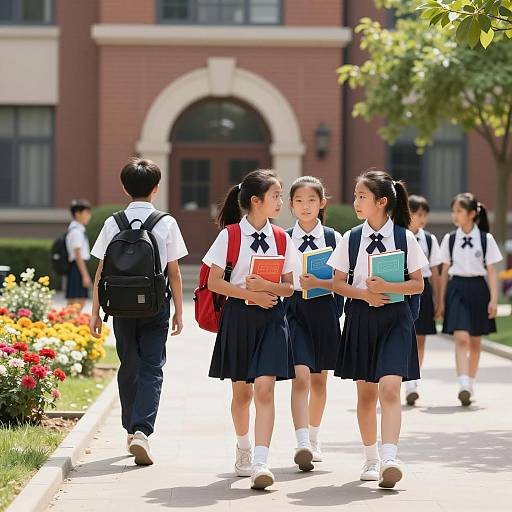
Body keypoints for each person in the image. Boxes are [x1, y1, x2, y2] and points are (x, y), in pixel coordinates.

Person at [328, 169, 427, 489]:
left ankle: (390, 458)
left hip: (396, 319)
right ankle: (370, 458)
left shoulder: (404, 237)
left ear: (382, 202)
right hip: (361, 318)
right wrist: (366, 293)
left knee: (390, 388)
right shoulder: (351, 238)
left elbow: (418, 284)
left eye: (361, 196)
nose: (356, 201)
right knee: (367, 394)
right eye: (356, 196)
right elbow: (337, 283)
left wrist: (388, 285)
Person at [203, 169, 299, 490]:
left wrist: (267, 288)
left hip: (272, 319)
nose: (280, 202)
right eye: (275, 196)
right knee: (242, 394)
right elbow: (214, 282)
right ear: (256, 201)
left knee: (266, 389)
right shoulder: (229, 235)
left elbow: (289, 288)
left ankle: (261, 460)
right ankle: (243, 448)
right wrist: (250, 295)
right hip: (239, 319)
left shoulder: (283, 238)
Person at [89, 158, 188, 465]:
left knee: (129, 364)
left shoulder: (112, 223)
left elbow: (100, 272)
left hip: (120, 307)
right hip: (155, 305)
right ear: (156, 189)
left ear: (124, 187)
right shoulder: (166, 222)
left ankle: (131, 431)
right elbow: (174, 272)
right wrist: (180, 311)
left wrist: (94, 312)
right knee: (152, 367)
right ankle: (142, 430)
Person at [285, 176, 343, 469]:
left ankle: (315, 438)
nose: (305, 207)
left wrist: (321, 282)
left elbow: (346, 281)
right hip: (293, 311)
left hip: (325, 310)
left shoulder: (335, 239)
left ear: (322, 203)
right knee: (301, 377)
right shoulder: (282, 238)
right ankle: (302, 441)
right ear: (291, 205)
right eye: (298, 201)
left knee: (320, 380)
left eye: (311, 201)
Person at [438, 193, 502, 406]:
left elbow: (491, 271)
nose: (454, 215)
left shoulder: (486, 239)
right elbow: (444, 271)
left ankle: (470, 383)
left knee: (475, 341)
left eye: (459, 211)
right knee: (462, 338)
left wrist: (494, 299)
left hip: (479, 289)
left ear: (472, 214)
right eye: (453, 211)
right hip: (456, 288)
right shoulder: (450, 239)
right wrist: (442, 300)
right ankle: (463, 383)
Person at [404, 195, 443, 406]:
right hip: (402, 287)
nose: (422, 219)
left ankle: (413, 381)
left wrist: (439, 300)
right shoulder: (398, 236)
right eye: (418, 214)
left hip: (423, 289)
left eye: (424, 215)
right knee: (404, 335)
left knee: (420, 338)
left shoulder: (429, 239)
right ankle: (403, 377)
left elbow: (435, 272)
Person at [65, 199, 92, 309]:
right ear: (77, 214)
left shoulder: (76, 230)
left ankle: (67, 323)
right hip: (77, 267)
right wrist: (85, 275)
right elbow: (77, 254)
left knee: (75, 302)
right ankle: (68, 324)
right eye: (86, 213)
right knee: (78, 302)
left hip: (76, 267)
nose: (89, 216)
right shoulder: (76, 231)